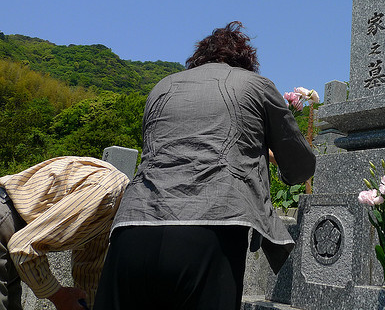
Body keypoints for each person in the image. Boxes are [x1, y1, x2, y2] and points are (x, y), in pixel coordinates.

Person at [94, 22, 316, 310]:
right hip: (210, 231)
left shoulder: (162, 87)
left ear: (199, 57)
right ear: (245, 59)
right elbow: (301, 166)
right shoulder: (255, 85)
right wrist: (270, 156)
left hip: (132, 230)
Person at [0, 156, 130, 310]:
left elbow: (89, 270)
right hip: (6, 216)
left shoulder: (112, 211)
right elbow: (23, 246)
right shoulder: (108, 193)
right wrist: (60, 296)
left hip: (16, 226)